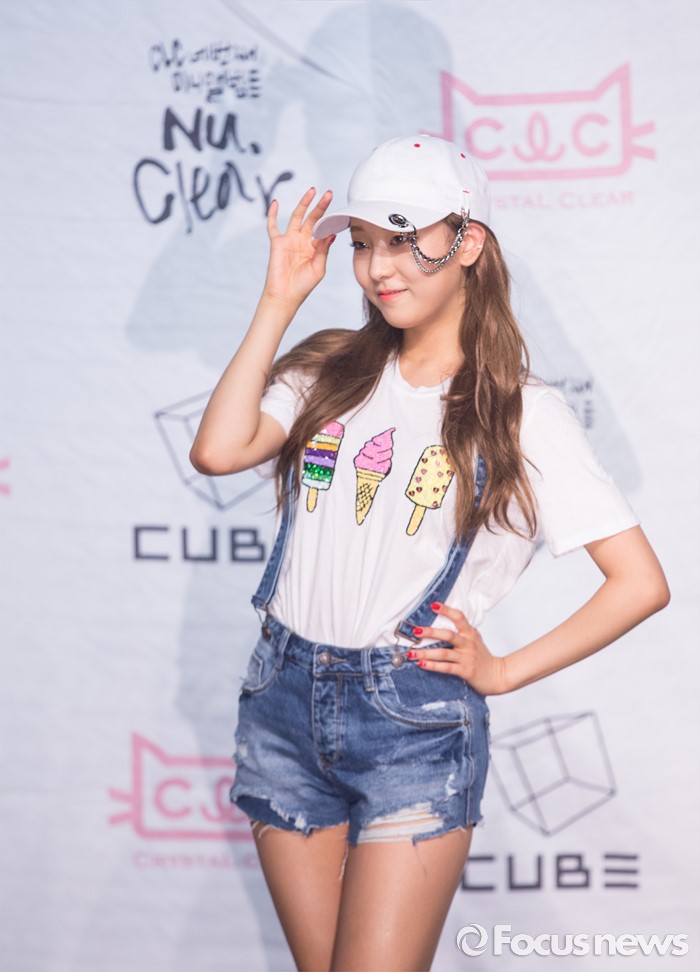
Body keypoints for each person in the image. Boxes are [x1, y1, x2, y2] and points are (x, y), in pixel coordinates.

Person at [190, 135, 669, 972]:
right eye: (364, 242)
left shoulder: (520, 412)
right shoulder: (330, 369)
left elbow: (639, 583)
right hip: (281, 702)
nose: (380, 267)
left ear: (467, 242)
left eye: (405, 239)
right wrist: (278, 300)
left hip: (410, 722)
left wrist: (504, 670)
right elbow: (217, 451)